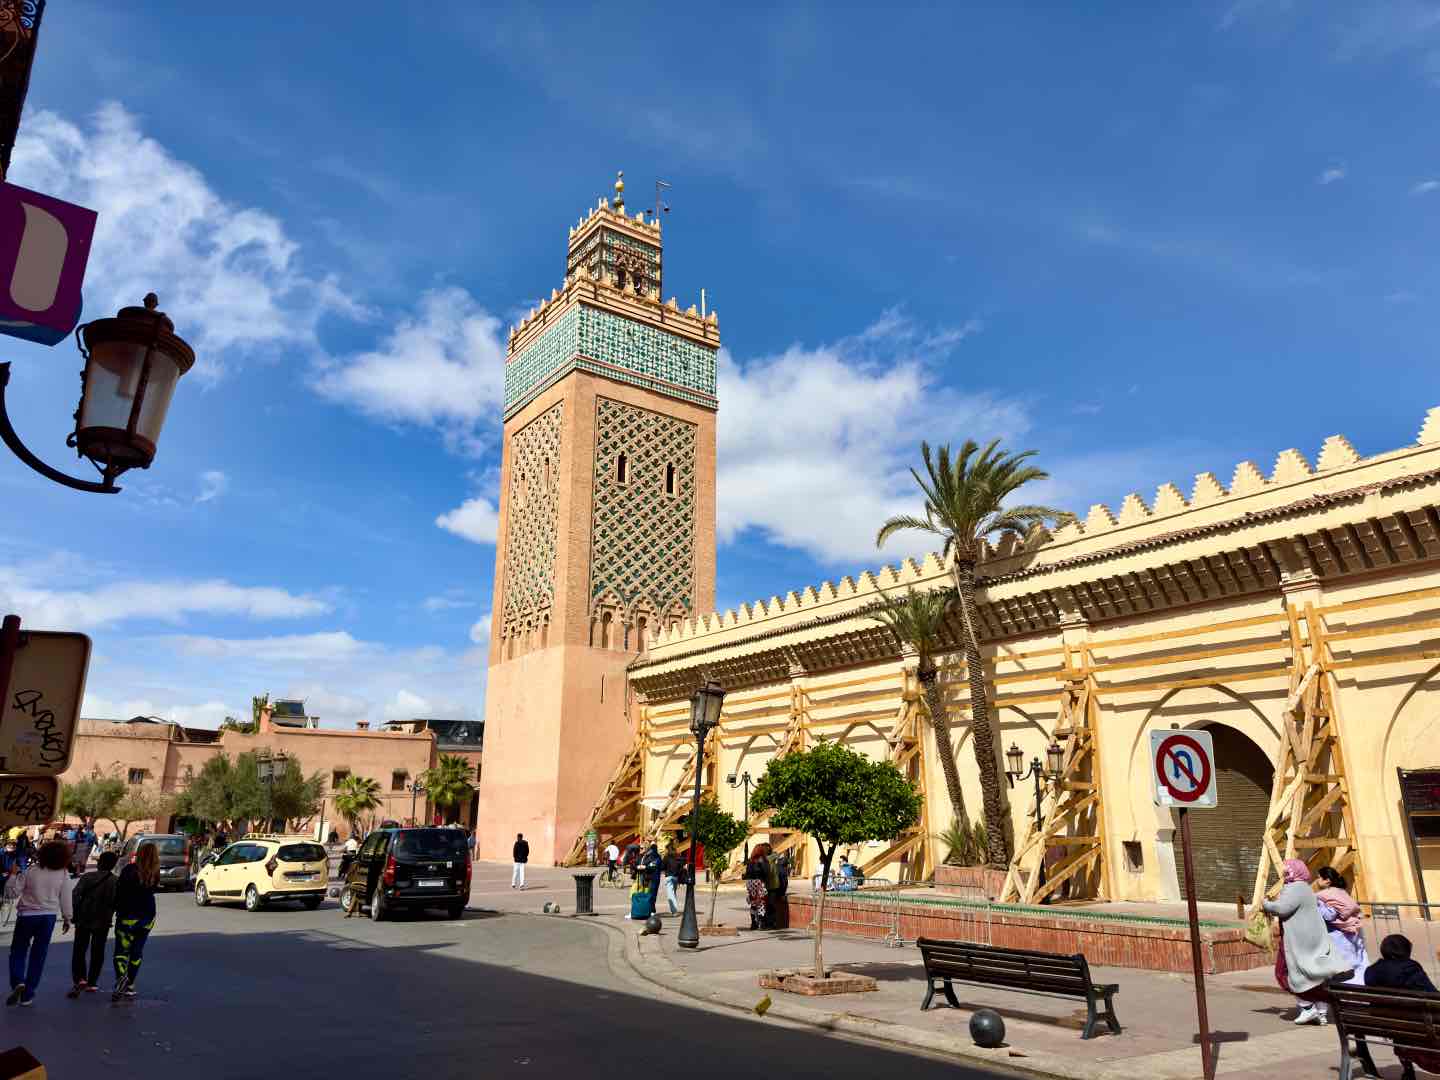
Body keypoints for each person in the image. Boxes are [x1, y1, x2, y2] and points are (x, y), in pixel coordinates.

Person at [1260, 859, 1354, 1025]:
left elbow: (1282, 908)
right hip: (1307, 939)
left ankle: (1309, 1007)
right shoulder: (1304, 888)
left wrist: (1265, 904)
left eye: (1287, 869)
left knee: (1283, 974)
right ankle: (1320, 1011)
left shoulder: (1295, 888)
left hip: (1296, 941)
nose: (1284, 872)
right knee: (1312, 975)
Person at [6, 839, 72, 1006]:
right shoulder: (63, 874)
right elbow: (66, 897)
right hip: (48, 918)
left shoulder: (31, 871)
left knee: (18, 951)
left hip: (27, 916)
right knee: (38, 956)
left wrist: (13, 875)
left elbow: (12, 893)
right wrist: (67, 918)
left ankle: (18, 981)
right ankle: (28, 994)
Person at [1364, 934, 1440, 1080]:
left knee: (1401, 1024)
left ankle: (1408, 1070)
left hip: (1387, 1023)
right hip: (1417, 1024)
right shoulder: (1410, 968)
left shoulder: (1371, 971)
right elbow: (1433, 995)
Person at [111, 842, 160, 1001]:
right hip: (147, 916)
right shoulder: (154, 872)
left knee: (121, 951)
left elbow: (119, 891)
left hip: (127, 915)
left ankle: (121, 979)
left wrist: (114, 909)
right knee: (137, 951)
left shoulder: (129, 870)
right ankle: (130, 984)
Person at [68, 851, 119, 996]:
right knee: (98, 951)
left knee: (79, 950)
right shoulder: (115, 881)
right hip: (103, 920)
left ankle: (80, 979)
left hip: (84, 918)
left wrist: (75, 912)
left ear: (99, 863)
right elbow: (117, 901)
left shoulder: (88, 877)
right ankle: (92, 982)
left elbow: (75, 894)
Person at [1314, 866, 1368, 987]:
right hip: (1354, 931)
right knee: (1358, 963)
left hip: (1339, 935)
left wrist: (1316, 907)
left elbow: (1329, 915)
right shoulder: (1342, 892)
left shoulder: (1325, 895)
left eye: (1318, 878)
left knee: (1346, 970)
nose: (1317, 880)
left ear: (1327, 880)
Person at [743, 843, 771, 931]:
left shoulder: (750, 861)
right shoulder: (762, 860)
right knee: (762, 903)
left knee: (753, 904)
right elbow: (766, 873)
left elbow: (747, 873)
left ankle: (753, 923)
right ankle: (762, 924)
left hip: (750, 884)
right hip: (759, 883)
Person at [639, 842, 662, 916]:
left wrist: (645, 867)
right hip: (646, 877)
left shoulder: (654, 855)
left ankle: (651, 911)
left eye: (642, 848)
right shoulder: (644, 855)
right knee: (646, 894)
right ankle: (646, 910)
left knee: (651, 894)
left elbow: (654, 865)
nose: (640, 849)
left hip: (653, 877)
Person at [660, 845, 684, 915]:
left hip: (669, 877)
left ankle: (674, 910)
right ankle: (674, 909)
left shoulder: (666, 857)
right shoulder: (678, 856)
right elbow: (681, 866)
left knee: (671, 894)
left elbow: (662, 867)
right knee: (673, 894)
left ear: (668, 849)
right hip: (676, 877)